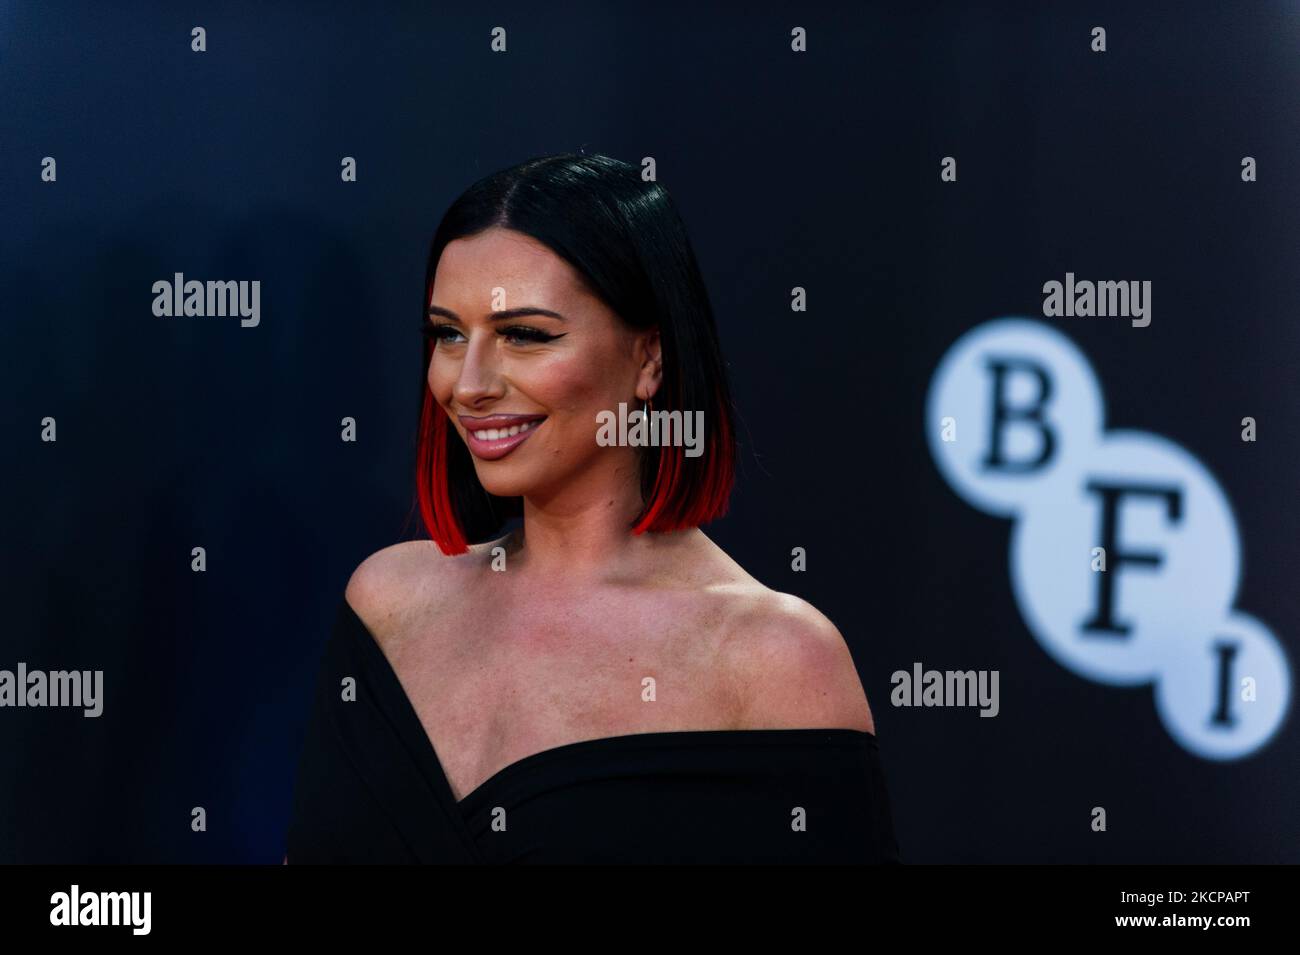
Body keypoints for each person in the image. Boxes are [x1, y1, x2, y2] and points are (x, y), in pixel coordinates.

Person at [285, 153, 901, 863]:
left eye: (526, 334)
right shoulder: (387, 603)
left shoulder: (775, 660)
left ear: (649, 358)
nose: (469, 382)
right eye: (448, 333)